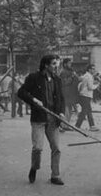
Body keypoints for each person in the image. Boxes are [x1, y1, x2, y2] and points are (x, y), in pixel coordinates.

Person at [17, 54, 66, 186]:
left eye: (57, 64)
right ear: (46, 65)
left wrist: (61, 112)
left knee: (56, 148)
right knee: (38, 148)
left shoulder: (57, 79)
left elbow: (61, 98)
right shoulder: (33, 78)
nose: (56, 67)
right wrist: (33, 100)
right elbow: (21, 92)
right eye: (54, 64)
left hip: (53, 119)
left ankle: (55, 175)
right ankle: (34, 167)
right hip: (38, 118)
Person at [75, 63, 98, 131]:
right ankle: (78, 125)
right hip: (86, 95)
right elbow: (90, 87)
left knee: (88, 111)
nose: (94, 70)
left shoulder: (86, 76)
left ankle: (91, 125)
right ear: (89, 69)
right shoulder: (89, 77)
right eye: (93, 69)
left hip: (84, 95)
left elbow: (82, 85)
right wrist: (96, 86)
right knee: (85, 111)